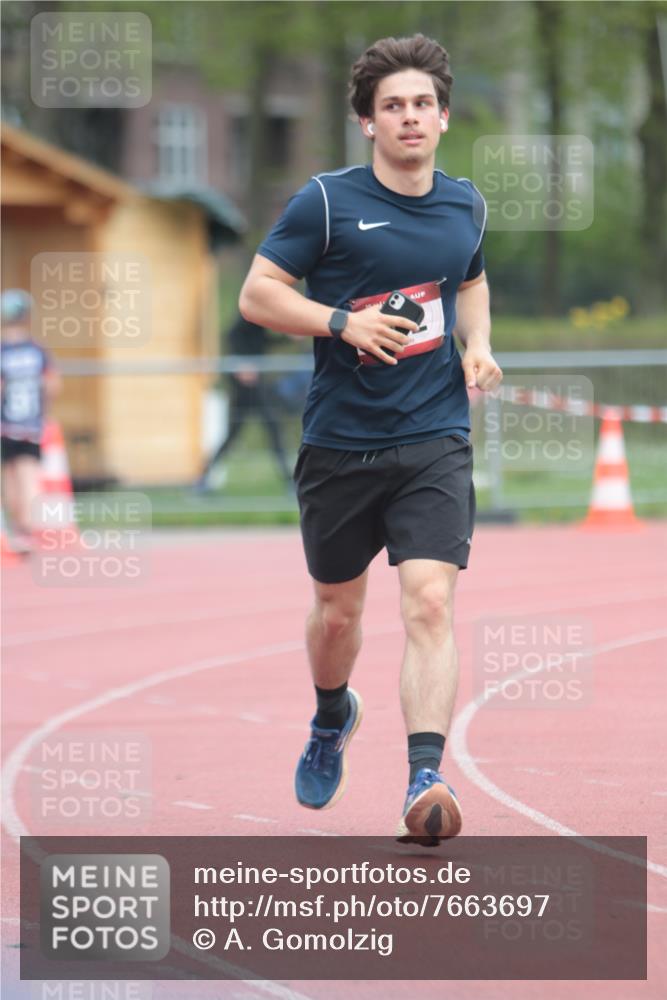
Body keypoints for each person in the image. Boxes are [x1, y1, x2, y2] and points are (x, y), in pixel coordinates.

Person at [239, 34, 503, 844]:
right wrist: (340, 321)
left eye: (422, 103)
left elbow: (469, 276)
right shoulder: (323, 201)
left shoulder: (465, 203)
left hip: (432, 437)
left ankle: (425, 773)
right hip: (340, 441)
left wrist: (479, 342)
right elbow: (257, 294)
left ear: (444, 117)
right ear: (367, 123)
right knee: (336, 613)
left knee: (429, 600)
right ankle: (330, 715)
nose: (409, 117)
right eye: (393, 106)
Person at [195, 313, 293, 491]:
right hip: (244, 389)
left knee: (273, 430)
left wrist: (288, 337)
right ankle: (203, 480)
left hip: (256, 386)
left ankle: (289, 480)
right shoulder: (249, 316)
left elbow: (266, 341)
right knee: (235, 435)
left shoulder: (261, 322)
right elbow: (232, 336)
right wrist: (241, 363)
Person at [1, 289, 61, 552]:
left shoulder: (3, 350)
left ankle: (21, 527)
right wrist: (42, 412)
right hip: (31, 423)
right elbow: (52, 385)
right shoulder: (38, 350)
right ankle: (28, 527)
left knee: (10, 476)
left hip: (5, 423)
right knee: (28, 474)